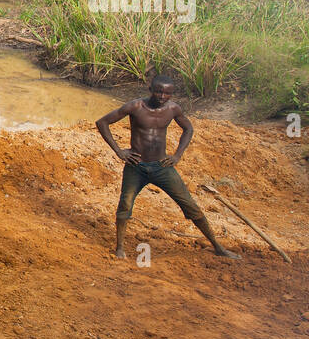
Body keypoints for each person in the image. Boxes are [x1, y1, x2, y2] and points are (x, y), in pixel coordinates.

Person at [94, 76, 240, 260]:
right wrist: (119, 151)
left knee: (190, 205)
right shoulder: (135, 106)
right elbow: (102, 122)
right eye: (159, 91)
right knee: (125, 205)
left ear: (172, 94)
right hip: (136, 165)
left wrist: (177, 155)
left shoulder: (173, 109)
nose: (162, 96)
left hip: (162, 166)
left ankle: (218, 247)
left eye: (167, 93)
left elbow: (188, 129)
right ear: (150, 89)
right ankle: (120, 248)